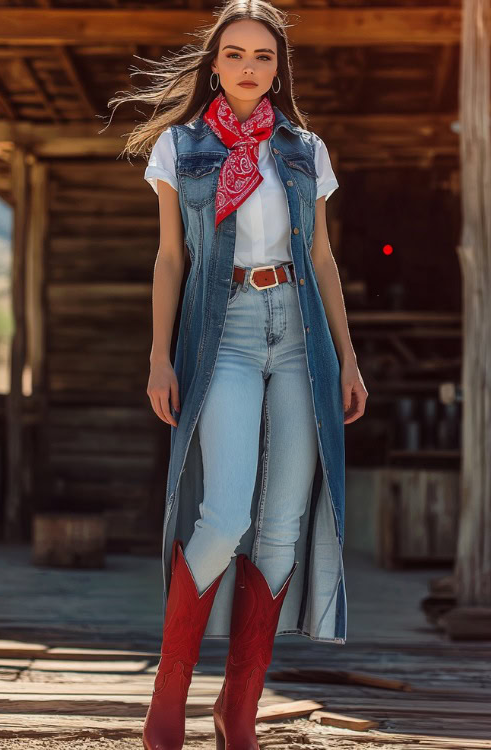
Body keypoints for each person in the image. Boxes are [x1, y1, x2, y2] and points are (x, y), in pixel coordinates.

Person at [107, 1, 368, 747]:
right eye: (235, 53)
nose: (249, 67)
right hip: (223, 331)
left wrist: (347, 355)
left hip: (301, 333)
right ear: (214, 64)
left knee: (282, 526)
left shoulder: (303, 149)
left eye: (263, 55)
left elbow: (321, 259)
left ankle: (239, 711)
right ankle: (167, 704)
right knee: (224, 516)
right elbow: (170, 259)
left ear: (278, 67)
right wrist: (160, 355)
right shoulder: (179, 148)